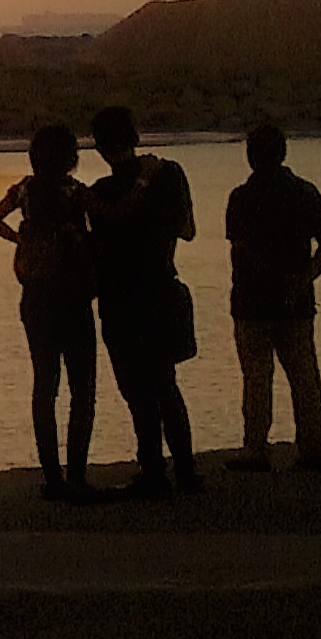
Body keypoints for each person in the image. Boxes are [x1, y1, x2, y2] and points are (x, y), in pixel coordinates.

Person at [85, 105, 200, 498]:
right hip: (160, 286)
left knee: (138, 390)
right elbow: (187, 230)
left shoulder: (100, 193)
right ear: (135, 137)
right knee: (166, 384)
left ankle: (153, 469)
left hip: (121, 297)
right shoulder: (170, 175)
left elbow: (104, 239)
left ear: (99, 147)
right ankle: (185, 469)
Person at [0, 124, 98, 499]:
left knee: (44, 385)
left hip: (35, 297)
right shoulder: (76, 193)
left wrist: (22, 239)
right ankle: (76, 475)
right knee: (82, 388)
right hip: (73, 298)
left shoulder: (24, 191)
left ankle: (52, 477)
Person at [223, 123, 321, 473]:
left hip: (252, 301)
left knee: (256, 376)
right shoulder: (305, 192)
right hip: (296, 300)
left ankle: (256, 447)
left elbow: (240, 250)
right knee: (304, 373)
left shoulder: (241, 198)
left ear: (251, 156)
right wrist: (304, 278)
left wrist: (275, 277)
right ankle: (312, 446)